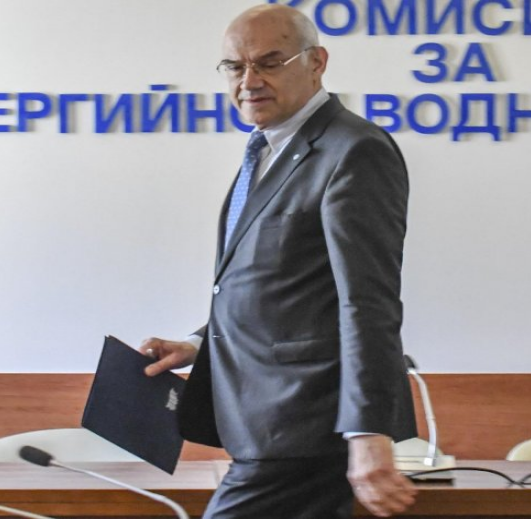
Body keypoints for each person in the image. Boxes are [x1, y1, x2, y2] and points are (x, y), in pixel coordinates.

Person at [139, 4, 418, 518]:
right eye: (235, 66)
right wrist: (198, 344)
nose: (249, 81)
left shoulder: (353, 150)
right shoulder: (266, 149)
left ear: (317, 62)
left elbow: (367, 302)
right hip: (261, 425)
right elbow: (283, 287)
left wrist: (368, 431)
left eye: (269, 63)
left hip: (306, 427)